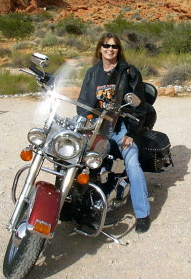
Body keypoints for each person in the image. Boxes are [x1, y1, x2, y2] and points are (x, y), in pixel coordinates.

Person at [77, 32, 151, 233]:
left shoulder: (129, 72)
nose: (110, 49)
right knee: (78, 159)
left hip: (122, 126)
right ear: (99, 48)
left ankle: (143, 214)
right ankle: (82, 208)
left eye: (114, 46)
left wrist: (132, 133)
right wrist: (84, 122)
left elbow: (139, 107)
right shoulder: (92, 73)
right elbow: (83, 103)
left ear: (119, 50)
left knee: (132, 163)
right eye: (106, 45)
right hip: (98, 127)